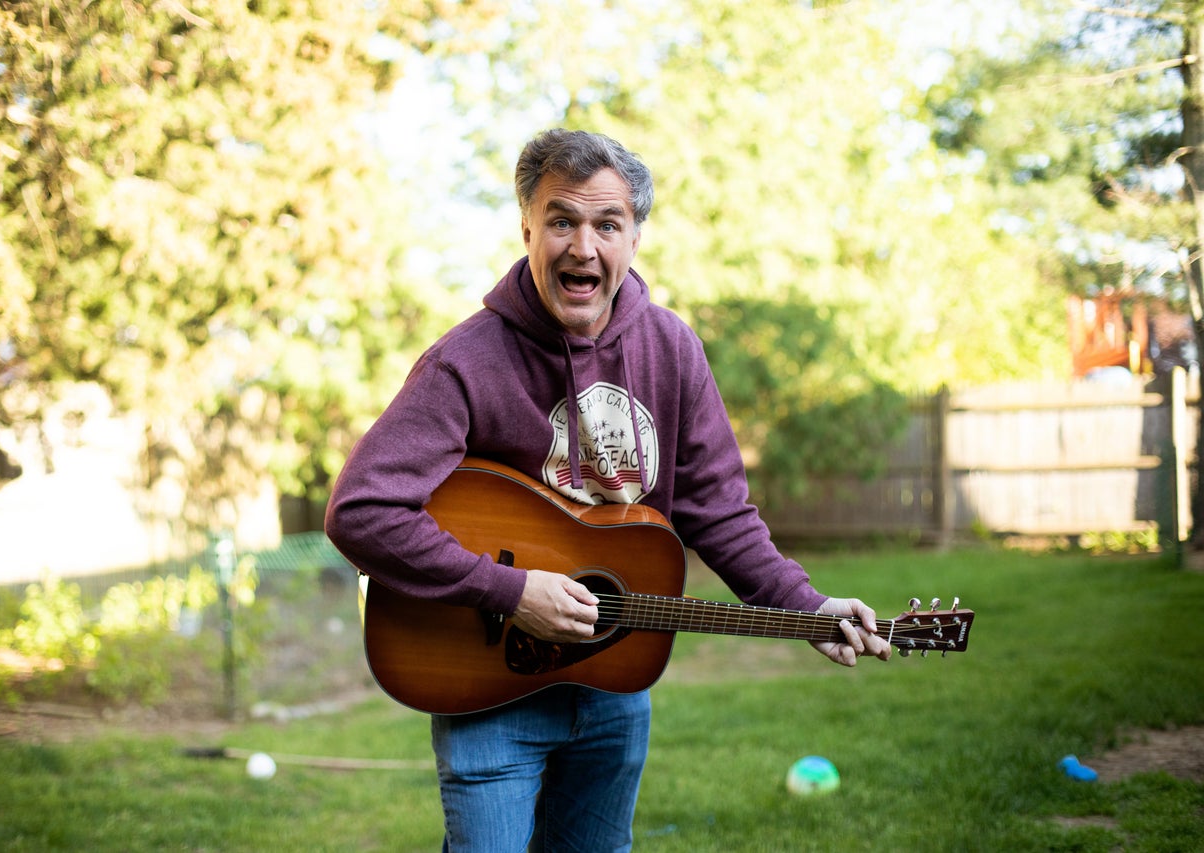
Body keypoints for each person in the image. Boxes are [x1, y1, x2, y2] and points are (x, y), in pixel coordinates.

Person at [324, 128, 892, 852]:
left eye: (607, 224)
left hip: (612, 688)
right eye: (562, 220)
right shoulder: (465, 362)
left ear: (634, 235)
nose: (582, 247)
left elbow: (717, 510)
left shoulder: (671, 349)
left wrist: (806, 605)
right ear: (527, 225)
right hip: (484, 690)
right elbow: (361, 510)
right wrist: (509, 589)